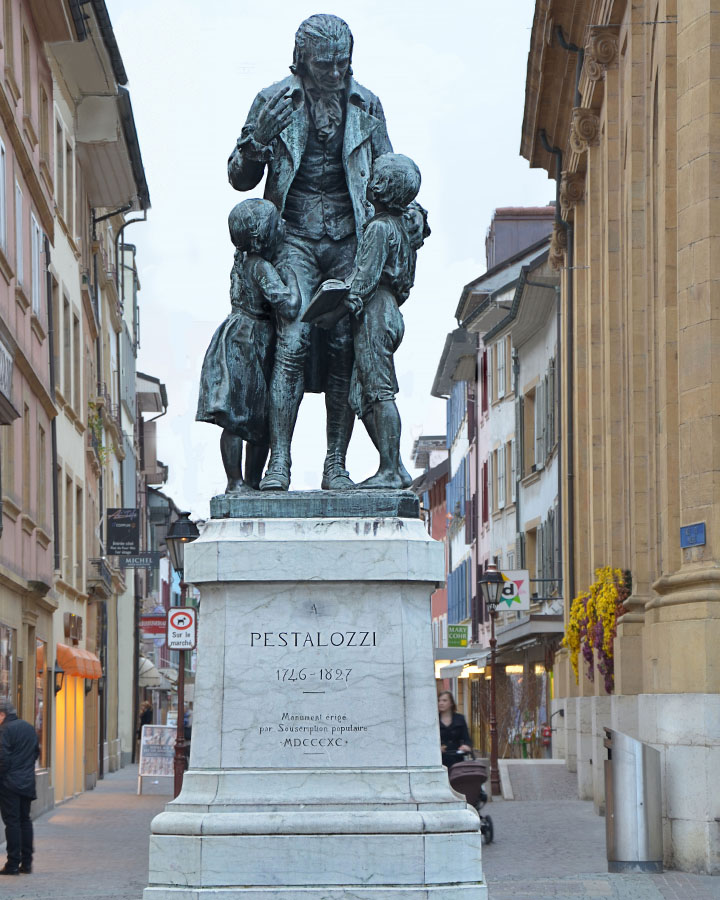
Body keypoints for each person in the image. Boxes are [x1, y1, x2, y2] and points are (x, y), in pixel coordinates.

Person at [228, 14, 393, 491]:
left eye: (343, 63)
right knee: (294, 338)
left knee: (343, 346)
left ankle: (335, 464)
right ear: (302, 61)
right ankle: (279, 461)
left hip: (349, 239)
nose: (337, 73)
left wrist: (410, 217)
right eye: (326, 65)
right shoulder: (273, 101)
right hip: (293, 237)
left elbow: (389, 171)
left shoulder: (367, 105)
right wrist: (258, 139)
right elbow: (239, 177)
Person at [196, 199, 300, 492]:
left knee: (241, 417)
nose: (282, 225)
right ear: (263, 235)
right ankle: (241, 483)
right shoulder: (261, 267)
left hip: (236, 336)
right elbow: (289, 307)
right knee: (247, 418)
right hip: (249, 342)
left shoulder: (240, 260)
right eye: (276, 223)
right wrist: (292, 279)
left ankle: (242, 483)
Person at [340, 153, 429, 487]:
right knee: (360, 396)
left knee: (380, 392)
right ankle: (393, 466)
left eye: (373, 175)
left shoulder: (378, 229)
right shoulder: (403, 231)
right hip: (391, 309)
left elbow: (364, 280)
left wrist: (338, 299)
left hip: (376, 312)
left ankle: (391, 470)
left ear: (381, 186)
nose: (367, 179)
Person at [0, 700, 39, 875]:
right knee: (25, 820)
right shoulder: (28, 728)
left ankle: (13, 864)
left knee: (12, 823)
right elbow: (35, 753)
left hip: (9, 784)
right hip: (27, 781)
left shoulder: (4, 730)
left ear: (2, 714)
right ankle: (27, 863)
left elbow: (3, 759)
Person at [438, 691, 472, 772]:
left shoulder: (460, 718)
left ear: (451, 703)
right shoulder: (434, 719)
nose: (441, 703)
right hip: (440, 761)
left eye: (444, 700)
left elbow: (467, 739)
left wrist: (466, 746)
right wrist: (436, 749)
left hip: (457, 760)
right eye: (439, 700)